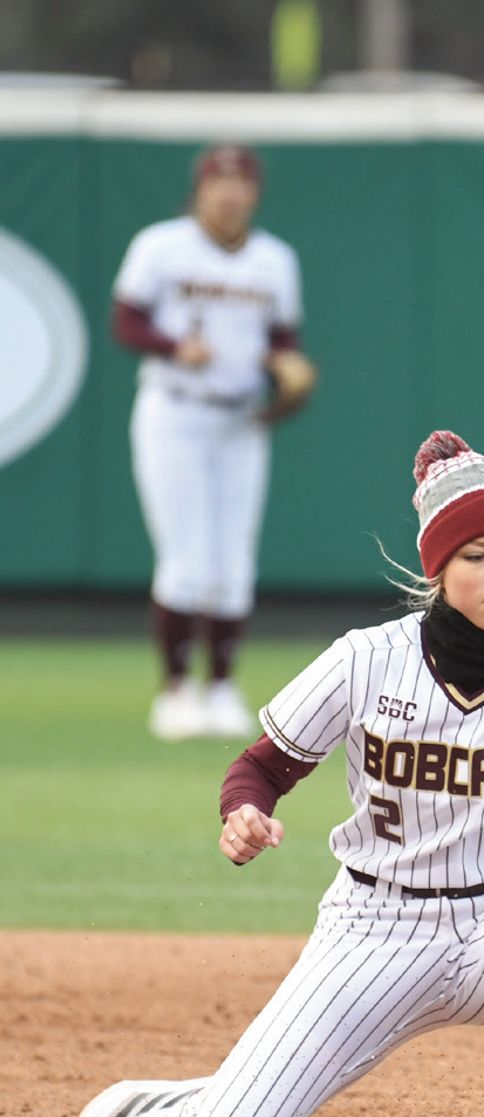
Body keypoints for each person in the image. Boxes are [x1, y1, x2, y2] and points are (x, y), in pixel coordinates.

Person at [75, 430, 484, 1117]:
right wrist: (245, 811)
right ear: (438, 567)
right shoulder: (368, 659)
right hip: (374, 928)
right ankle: (193, 1104)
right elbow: (261, 767)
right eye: (477, 557)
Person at [111, 142, 314, 741]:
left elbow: (281, 335)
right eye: (219, 182)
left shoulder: (274, 259)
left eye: (241, 182)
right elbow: (127, 321)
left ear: (254, 193)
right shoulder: (161, 246)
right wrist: (174, 346)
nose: (230, 193)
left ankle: (221, 687)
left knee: (232, 561)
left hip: (240, 417)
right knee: (186, 558)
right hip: (174, 408)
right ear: (200, 190)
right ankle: (175, 693)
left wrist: (287, 370)